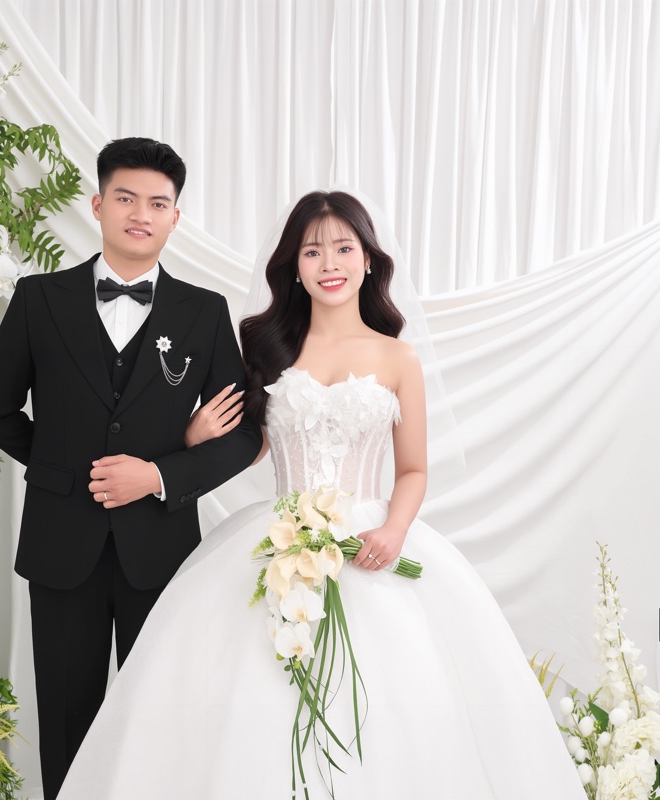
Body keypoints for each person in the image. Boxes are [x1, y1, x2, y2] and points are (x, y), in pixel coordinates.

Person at [55, 191, 588, 798]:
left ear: (368, 259)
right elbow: (252, 446)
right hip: (277, 537)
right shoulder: (265, 347)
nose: (328, 263)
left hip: (369, 539)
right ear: (294, 266)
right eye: (311, 251)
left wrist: (393, 530)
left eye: (343, 248)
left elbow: (414, 469)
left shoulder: (398, 357)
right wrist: (193, 437)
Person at [0, 137, 263, 800]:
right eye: (126, 198)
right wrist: (68, 471)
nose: (141, 213)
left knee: (157, 723)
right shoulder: (38, 299)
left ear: (175, 217)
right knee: (66, 725)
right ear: (98, 205)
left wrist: (159, 475)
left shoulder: (204, 312)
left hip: (160, 553)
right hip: (60, 546)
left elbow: (246, 435)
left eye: (158, 203)